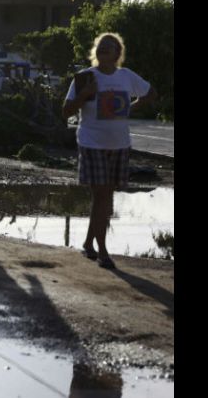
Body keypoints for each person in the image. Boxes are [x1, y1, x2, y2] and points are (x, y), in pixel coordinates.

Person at [62, 33, 156, 269]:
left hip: (119, 145)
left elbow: (151, 93)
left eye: (110, 46)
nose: (104, 48)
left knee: (104, 197)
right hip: (92, 142)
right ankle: (102, 250)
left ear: (117, 53)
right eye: (101, 46)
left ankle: (87, 243)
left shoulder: (126, 76)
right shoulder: (85, 77)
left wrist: (129, 109)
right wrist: (83, 95)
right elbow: (65, 112)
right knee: (102, 195)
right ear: (96, 52)